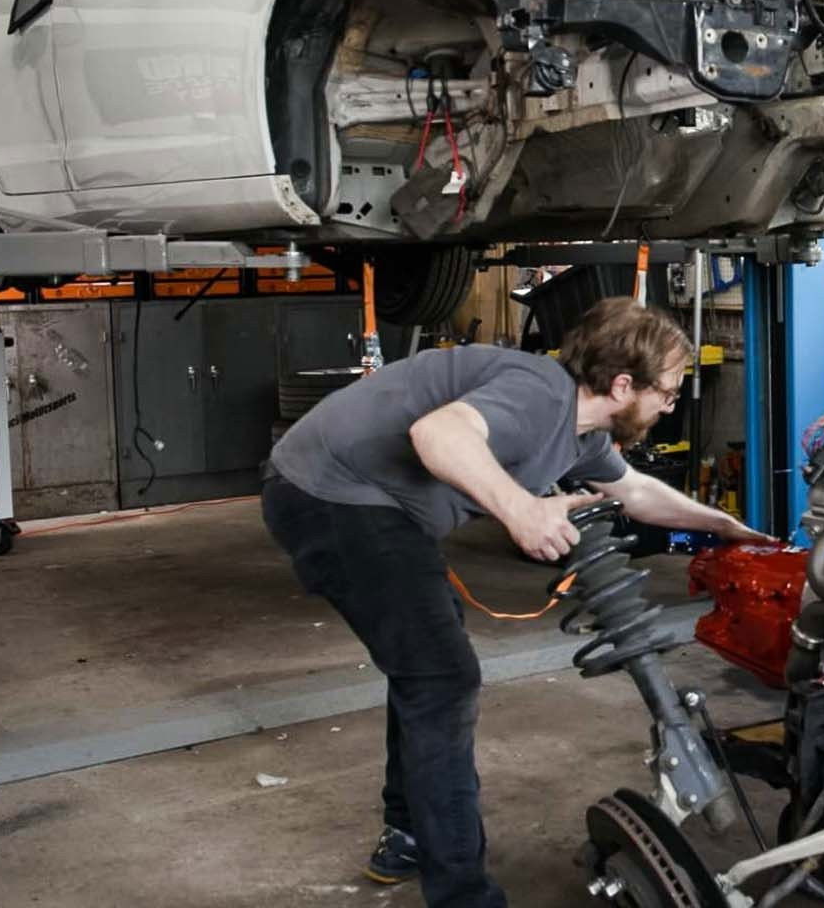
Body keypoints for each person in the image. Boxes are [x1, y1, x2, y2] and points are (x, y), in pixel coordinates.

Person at [261, 297, 764, 908]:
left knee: (429, 661)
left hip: (367, 502)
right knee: (442, 677)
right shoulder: (541, 395)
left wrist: (727, 526)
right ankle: (462, 895)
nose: (671, 404)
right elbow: (437, 432)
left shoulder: (577, 434)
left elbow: (634, 490)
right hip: (329, 494)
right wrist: (521, 508)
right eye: (668, 390)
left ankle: (410, 832)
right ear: (623, 384)